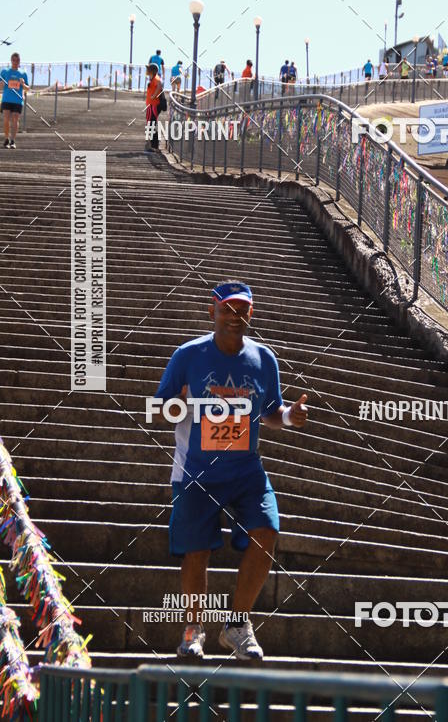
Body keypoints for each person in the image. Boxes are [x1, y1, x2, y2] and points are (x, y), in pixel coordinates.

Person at [153, 280, 308, 660]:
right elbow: (156, 409)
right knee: (196, 550)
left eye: (242, 311)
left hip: (245, 469)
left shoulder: (263, 359)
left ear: (250, 314)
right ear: (212, 313)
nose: (234, 317)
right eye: (226, 310)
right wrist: (186, 404)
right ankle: (192, 630)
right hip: (197, 468)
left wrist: (290, 416)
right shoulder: (189, 355)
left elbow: (271, 412)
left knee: (267, 530)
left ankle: (237, 625)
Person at [0, 53, 29, 148]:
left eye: (17, 60)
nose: (15, 62)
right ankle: (6, 138)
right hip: (6, 99)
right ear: (11, 60)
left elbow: (27, 88)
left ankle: (12, 140)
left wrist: (23, 84)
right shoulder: (5, 71)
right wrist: (2, 84)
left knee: (15, 119)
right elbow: (0, 85)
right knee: (6, 119)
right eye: (14, 60)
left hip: (17, 100)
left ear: (19, 61)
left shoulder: (23, 73)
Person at [145, 63, 163, 151]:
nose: (146, 71)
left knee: (151, 124)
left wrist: (154, 95)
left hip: (153, 105)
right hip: (150, 105)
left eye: (148, 69)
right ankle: (153, 144)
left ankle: (154, 145)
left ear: (152, 71)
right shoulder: (152, 78)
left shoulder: (156, 78)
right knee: (150, 123)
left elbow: (159, 85)